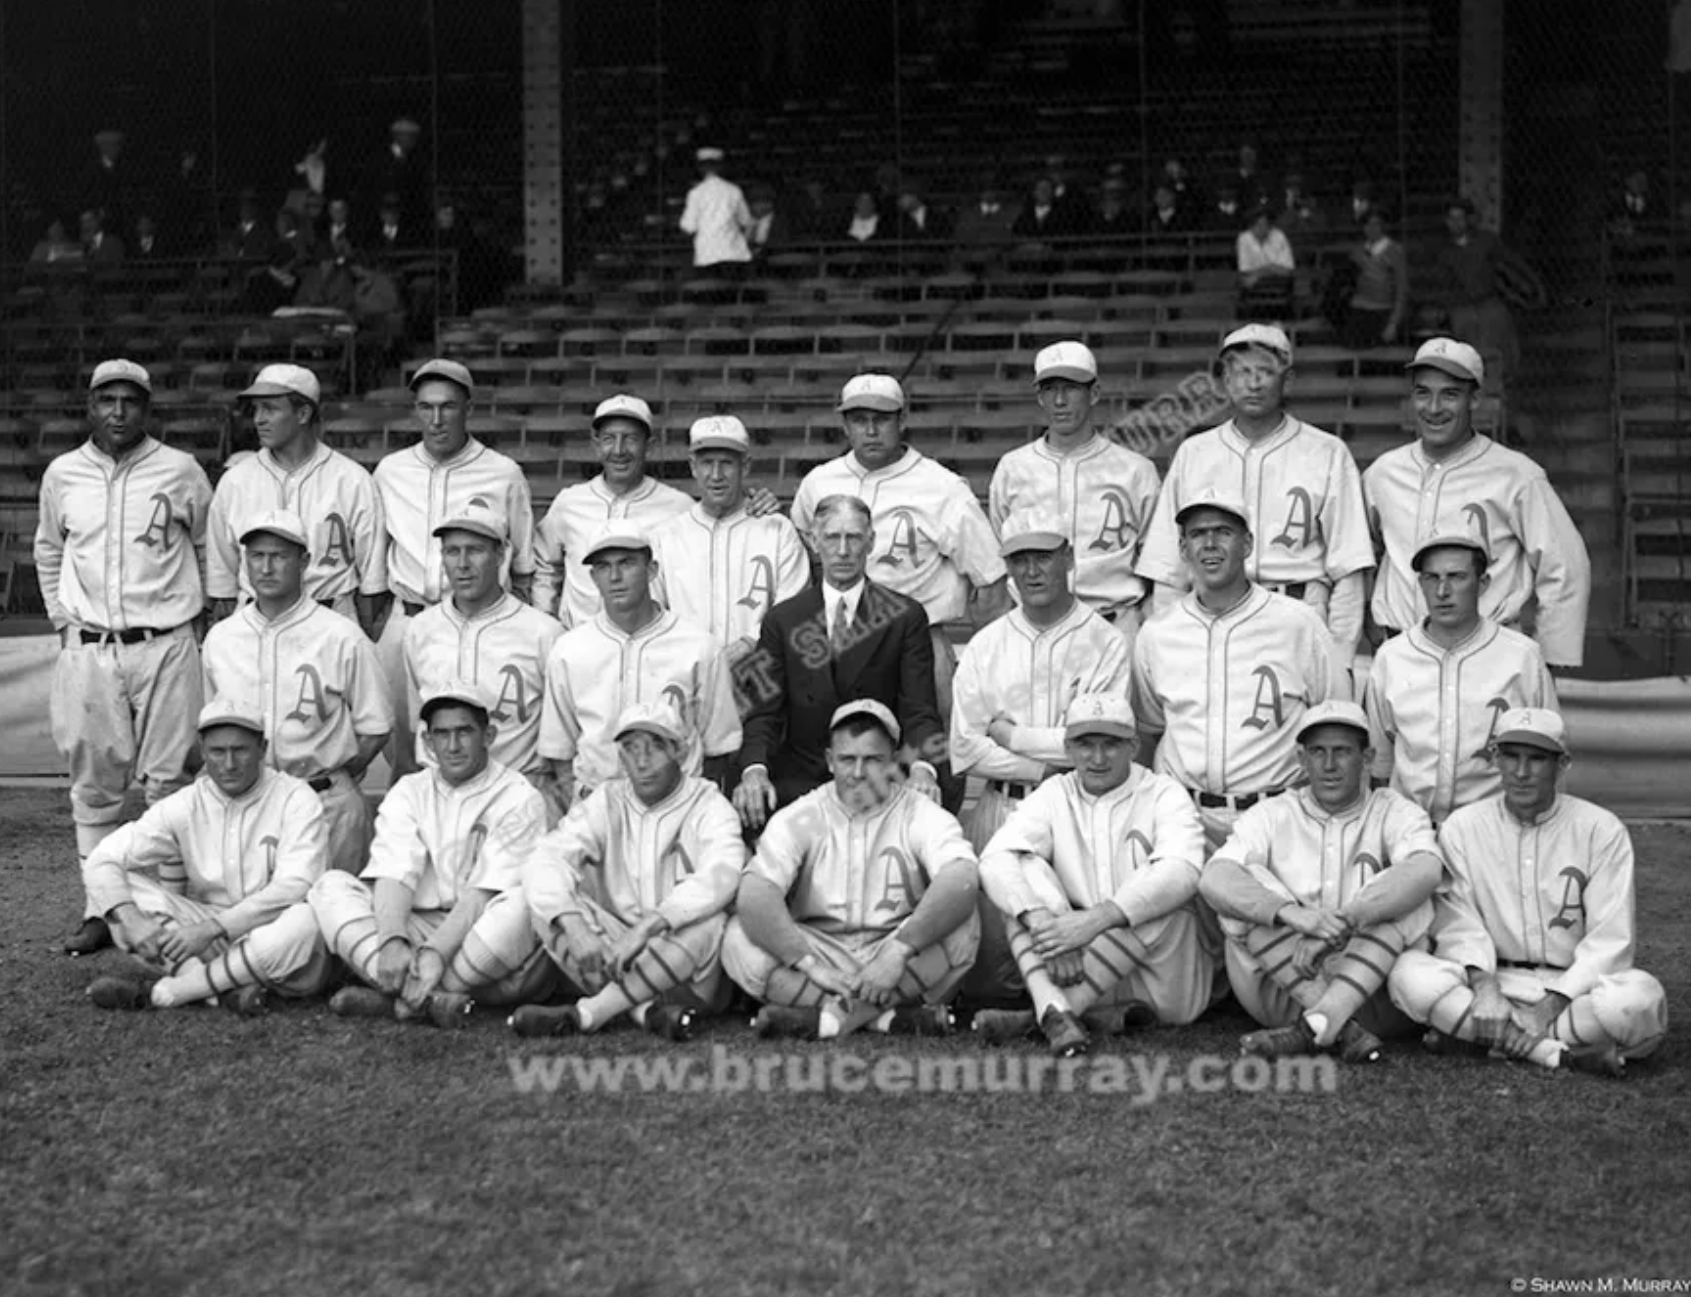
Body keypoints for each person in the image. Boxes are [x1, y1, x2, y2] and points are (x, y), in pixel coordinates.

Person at [35, 359, 213, 955]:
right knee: (94, 785)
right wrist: (64, 624)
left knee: (170, 783)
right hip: (90, 647)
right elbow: (48, 551)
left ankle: (172, 908)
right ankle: (101, 910)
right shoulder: (63, 474)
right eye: (106, 400)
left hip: (165, 640)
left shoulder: (181, 469)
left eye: (129, 401)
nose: (118, 411)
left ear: (147, 408)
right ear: (90, 406)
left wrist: (201, 626)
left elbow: (210, 549)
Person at [1388, 709, 1668, 1077]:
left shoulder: (1601, 830)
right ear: (1496, 760)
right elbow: (1458, 922)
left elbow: (1609, 941)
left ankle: (1476, 1039)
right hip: (1489, 986)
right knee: (1409, 974)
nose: (1521, 772)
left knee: (1637, 1001)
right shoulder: (1463, 827)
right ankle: (1556, 1053)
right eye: (1510, 757)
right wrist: (1486, 989)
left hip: (1572, 991)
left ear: (1562, 764)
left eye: (1536, 759)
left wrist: (1547, 1008)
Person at [948, 511, 1133, 1001]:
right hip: (1002, 804)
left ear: (1068, 558)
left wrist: (1012, 736)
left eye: (1043, 558)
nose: (1031, 572)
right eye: (1020, 560)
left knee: (1072, 946)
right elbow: (966, 747)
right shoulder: (987, 643)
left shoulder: (1105, 640)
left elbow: (1098, 741)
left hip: (1078, 809)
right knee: (992, 974)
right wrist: (1045, 762)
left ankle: (1065, 1011)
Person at [1201, 701, 1444, 1063]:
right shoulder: (1273, 812)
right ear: (1302, 758)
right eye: (1317, 752)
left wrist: (1345, 920)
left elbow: (1426, 871)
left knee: (1411, 894)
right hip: (1288, 988)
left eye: (1342, 752)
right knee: (1243, 888)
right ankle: (1338, 1024)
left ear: (1368, 757)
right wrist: (1290, 914)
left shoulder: (1396, 809)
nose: (1329, 766)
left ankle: (1316, 1025)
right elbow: (1214, 878)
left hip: (1372, 990)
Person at [722, 700, 980, 1040]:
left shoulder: (919, 812)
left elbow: (960, 877)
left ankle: (827, 1020)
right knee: (738, 938)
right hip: (820, 951)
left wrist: (898, 950)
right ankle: (882, 1018)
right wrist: (809, 964)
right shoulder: (803, 814)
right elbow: (756, 893)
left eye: (872, 759)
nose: (858, 772)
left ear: (893, 760)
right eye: (847, 759)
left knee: (964, 921)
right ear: (830, 761)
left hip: (896, 949)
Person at [974, 695, 1214, 1057]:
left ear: (1133, 746)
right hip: (1082, 967)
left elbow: (1183, 871)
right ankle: (1070, 1015)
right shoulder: (1055, 792)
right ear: (1068, 748)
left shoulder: (1164, 791)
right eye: (1086, 745)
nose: (1098, 758)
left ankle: (1046, 1011)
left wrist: (1092, 922)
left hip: (1164, 983)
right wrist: (1044, 921)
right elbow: (994, 859)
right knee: (1018, 885)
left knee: (1153, 896)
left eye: (1111, 745)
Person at [1135, 324, 1373, 675]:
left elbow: (1349, 570)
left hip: (1298, 614)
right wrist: (1171, 643)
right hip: (1211, 618)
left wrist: (1340, 657)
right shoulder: (1195, 453)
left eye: (1265, 371)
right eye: (1242, 372)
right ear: (1226, 381)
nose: (1254, 382)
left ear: (1287, 380)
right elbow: (1169, 568)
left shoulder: (1327, 452)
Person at [309, 682, 551, 1026]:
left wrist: (437, 952)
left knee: (525, 906)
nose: (452, 746)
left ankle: (396, 994)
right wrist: (393, 940)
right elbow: (394, 874)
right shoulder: (409, 790)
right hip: (416, 927)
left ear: (489, 735)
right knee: (329, 887)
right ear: (427, 742)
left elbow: (484, 895)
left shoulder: (520, 796)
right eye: (442, 734)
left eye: (464, 732)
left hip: (479, 930)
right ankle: (430, 997)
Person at [508, 702, 746, 1041]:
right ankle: (645, 1011)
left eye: (655, 748)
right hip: (618, 957)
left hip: (686, 972)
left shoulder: (709, 803)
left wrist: (648, 928)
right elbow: (546, 857)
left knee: (709, 919)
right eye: (631, 749)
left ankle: (588, 1013)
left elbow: (723, 874)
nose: (642, 762)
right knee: (547, 905)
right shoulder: (609, 798)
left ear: (680, 750)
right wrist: (574, 926)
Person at [82, 700, 332, 1015]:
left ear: (263, 748)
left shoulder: (296, 797)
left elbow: (296, 887)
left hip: (276, 940)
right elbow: (102, 857)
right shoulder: (186, 802)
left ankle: (180, 990)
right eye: (217, 751)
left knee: (305, 918)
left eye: (240, 750)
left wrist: (211, 928)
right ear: (202, 750)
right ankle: (221, 989)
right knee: (112, 892)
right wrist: (131, 918)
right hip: (209, 936)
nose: (229, 763)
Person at [1132, 485, 1338, 854]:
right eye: (1197, 534)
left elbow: (1336, 718)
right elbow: (1148, 729)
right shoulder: (1158, 633)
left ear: (1247, 545)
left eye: (1223, 532)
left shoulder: (1299, 624)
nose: (1209, 543)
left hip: (1278, 815)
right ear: (1182, 549)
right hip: (1186, 818)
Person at [1362, 338, 1591, 668]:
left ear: (1476, 399)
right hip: (1400, 651)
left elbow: (1565, 566)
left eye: (1450, 394)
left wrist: (1549, 661)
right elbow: (1359, 553)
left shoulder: (1516, 474)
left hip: (1488, 656)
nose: (1434, 407)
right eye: (1423, 392)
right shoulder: (1383, 473)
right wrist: (1369, 612)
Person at [791, 374, 1008, 717]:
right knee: (836, 759)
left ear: (902, 420)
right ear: (845, 425)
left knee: (929, 756)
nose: (871, 430)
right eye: (860, 420)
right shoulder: (818, 483)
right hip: (835, 641)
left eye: (882, 419)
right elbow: (802, 557)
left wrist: (986, 670)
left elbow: (992, 582)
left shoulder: (942, 487)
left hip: (919, 643)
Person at [734, 496, 948, 827]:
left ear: (871, 542)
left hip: (877, 782)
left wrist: (922, 769)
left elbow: (918, 709)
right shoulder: (783, 620)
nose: (844, 550)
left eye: (854, 538)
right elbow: (764, 713)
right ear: (813, 541)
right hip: (800, 786)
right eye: (833, 537)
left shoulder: (905, 616)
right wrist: (754, 771)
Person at [201, 509, 392, 875]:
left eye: (279, 556)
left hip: (325, 801)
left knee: (336, 916)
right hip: (249, 802)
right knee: (255, 924)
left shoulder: (341, 634)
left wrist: (337, 775)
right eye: (257, 556)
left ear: (304, 561)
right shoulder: (222, 638)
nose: (267, 567)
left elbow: (376, 726)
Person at [374, 358, 535, 764]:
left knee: (483, 743)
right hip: (407, 619)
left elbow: (526, 565)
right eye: (426, 407)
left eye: (447, 406)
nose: (437, 418)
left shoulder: (503, 472)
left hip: (481, 621)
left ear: (469, 409)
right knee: (406, 753)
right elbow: (375, 555)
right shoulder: (391, 471)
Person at [539, 524, 740, 814]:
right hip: (597, 806)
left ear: (652, 570)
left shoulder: (699, 646)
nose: (615, 577)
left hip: (677, 807)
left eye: (627, 563)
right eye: (604, 567)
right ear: (594, 577)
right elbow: (560, 751)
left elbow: (719, 746)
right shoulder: (569, 649)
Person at [1363, 535, 1557, 824]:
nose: (1442, 591)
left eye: (1456, 577)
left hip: (1495, 830)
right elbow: (1380, 764)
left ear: (1483, 584)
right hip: (1412, 831)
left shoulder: (1522, 657)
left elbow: (1551, 753)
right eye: (1431, 578)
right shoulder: (1392, 657)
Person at [989, 342, 1161, 652]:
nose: (1059, 400)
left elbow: (1159, 563)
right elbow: (998, 557)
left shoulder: (1136, 470)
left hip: (1113, 624)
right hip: (1032, 630)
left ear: (1094, 393)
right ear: (1039, 397)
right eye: (1049, 389)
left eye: (1070, 388)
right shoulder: (1013, 468)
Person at [404, 500, 565, 821]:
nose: (462, 563)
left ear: (502, 554)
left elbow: (562, 738)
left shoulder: (544, 632)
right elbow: (412, 726)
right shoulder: (421, 629)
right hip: (440, 800)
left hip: (520, 794)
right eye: (452, 551)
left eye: (475, 550)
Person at [207, 363, 388, 638]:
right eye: (256, 409)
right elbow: (222, 583)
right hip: (255, 624)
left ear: (303, 413)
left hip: (331, 619)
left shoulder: (352, 479)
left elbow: (372, 582)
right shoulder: (235, 481)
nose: (258, 419)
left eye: (270, 408)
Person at [648, 416, 808, 707]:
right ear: (693, 466)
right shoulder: (665, 536)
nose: (716, 474)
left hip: (761, 683)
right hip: (684, 682)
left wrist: (748, 644)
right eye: (707, 462)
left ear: (745, 466)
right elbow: (654, 611)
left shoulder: (776, 529)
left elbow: (793, 608)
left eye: (727, 463)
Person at [531, 394, 692, 628]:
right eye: (609, 439)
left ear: (650, 446)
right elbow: (545, 566)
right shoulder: (569, 503)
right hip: (580, 644)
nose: (618, 450)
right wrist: (546, 623)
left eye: (630, 439)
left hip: (651, 646)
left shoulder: (678, 507)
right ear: (596, 445)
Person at [1432, 197, 1522, 395]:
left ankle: (1501, 384)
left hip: (1488, 299)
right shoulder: (1444, 251)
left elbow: (1508, 265)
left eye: (1460, 218)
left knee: (1497, 325)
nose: (1456, 223)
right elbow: (1444, 285)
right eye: (1451, 218)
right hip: (1462, 304)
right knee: (1467, 328)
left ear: (1468, 220)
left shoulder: (1486, 241)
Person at [1340, 210, 1410, 348]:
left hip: (1383, 311)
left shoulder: (1395, 250)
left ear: (1383, 226)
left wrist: (1393, 324)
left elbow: (1402, 289)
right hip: (1359, 310)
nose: (1371, 228)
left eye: (1376, 224)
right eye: (1367, 224)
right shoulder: (1357, 251)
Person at [678, 146, 752, 270]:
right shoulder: (734, 190)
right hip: (734, 253)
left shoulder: (696, 193)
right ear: (721, 167)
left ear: (699, 168)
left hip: (707, 255)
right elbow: (746, 221)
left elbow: (688, 227)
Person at [1236, 205, 1295, 317]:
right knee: (1245, 289)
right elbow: (1245, 272)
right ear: (1250, 226)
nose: (1262, 229)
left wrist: (1259, 274)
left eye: (1265, 225)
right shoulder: (1244, 238)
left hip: (1279, 287)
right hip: (1254, 290)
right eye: (1258, 225)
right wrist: (1273, 268)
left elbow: (1287, 271)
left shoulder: (1279, 236)